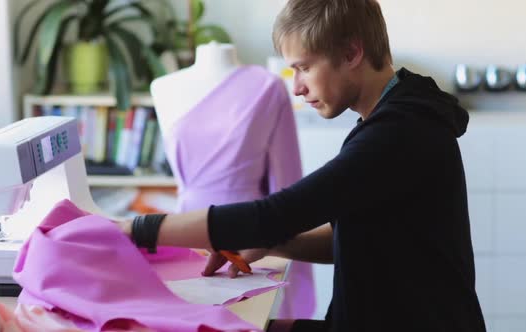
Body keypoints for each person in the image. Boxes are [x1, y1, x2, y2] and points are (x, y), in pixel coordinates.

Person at [116, 0, 487, 331]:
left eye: (304, 68)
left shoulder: (398, 133)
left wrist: (134, 229)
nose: (297, 87)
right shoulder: (394, 118)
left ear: (352, 52)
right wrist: (271, 243)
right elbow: (362, 239)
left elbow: (276, 213)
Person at [151, 41, 316, 318]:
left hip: (249, 231)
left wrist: (280, 237)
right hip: (186, 228)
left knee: (249, 315)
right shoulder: (163, 87)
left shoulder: (268, 87)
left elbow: (286, 179)